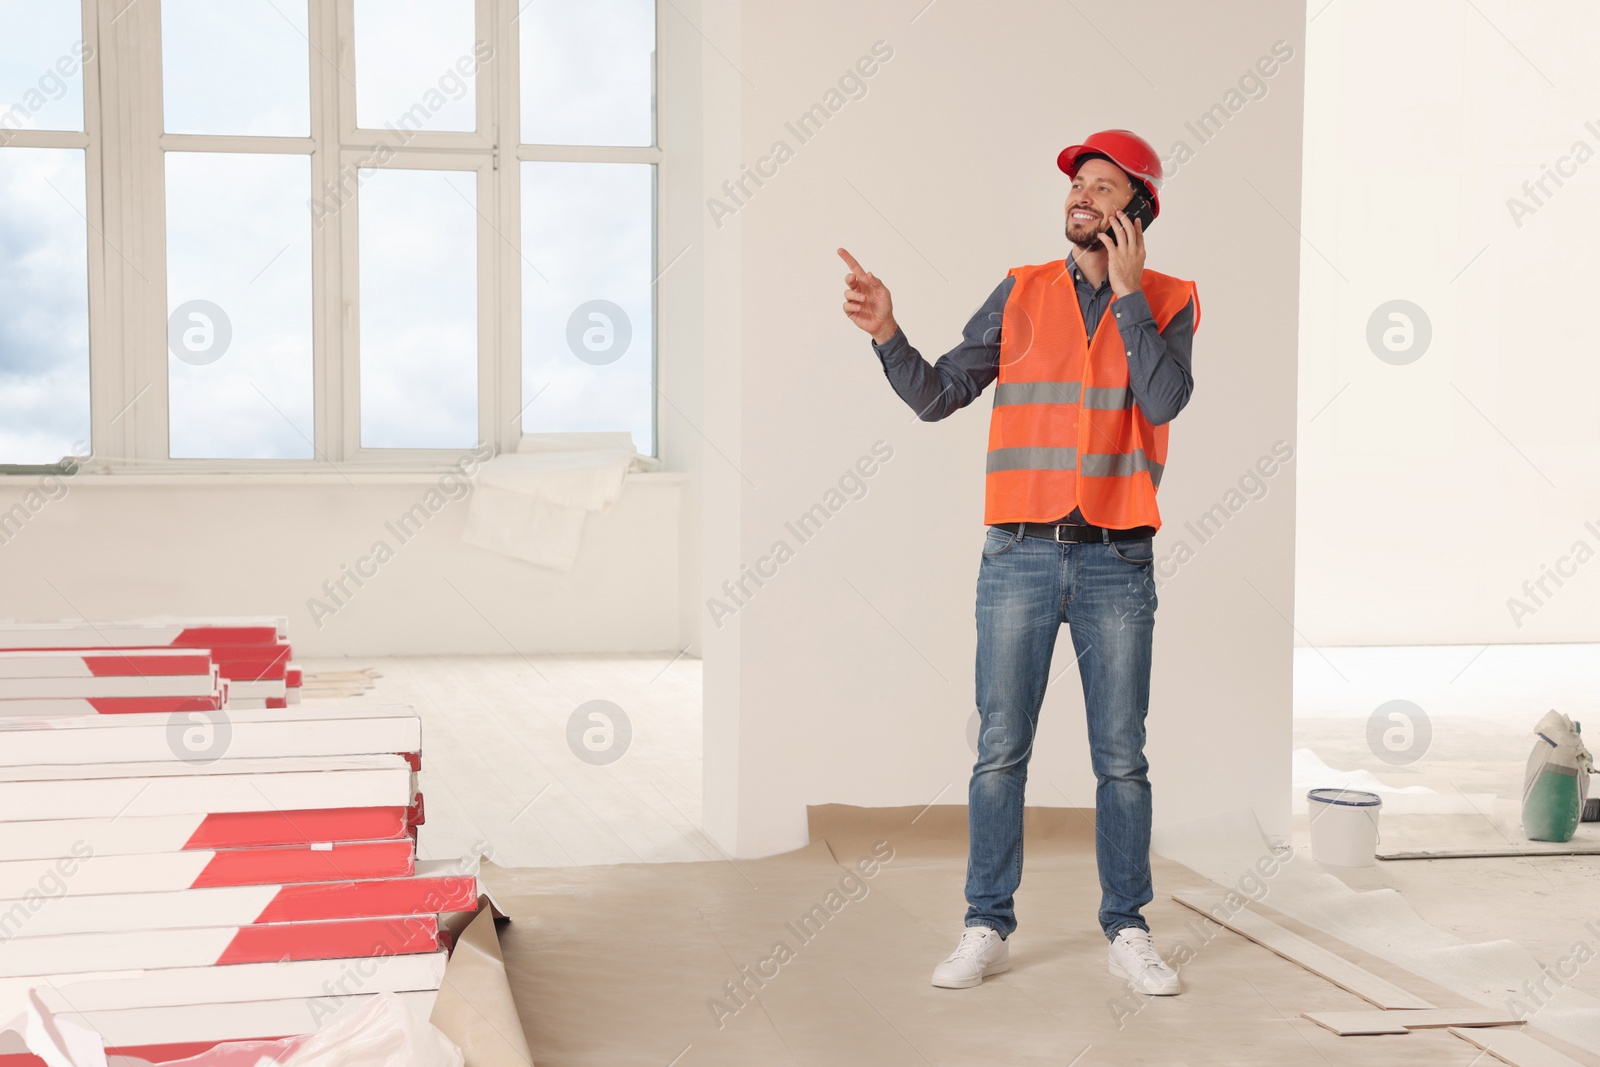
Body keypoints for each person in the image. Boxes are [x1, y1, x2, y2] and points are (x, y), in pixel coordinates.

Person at [837, 129, 1200, 997]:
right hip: (1019, 557)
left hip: (1119, 559)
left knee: (1122, 757)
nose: (1082, 195)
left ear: (1137, 210)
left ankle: (1129, 925)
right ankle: (986, 922)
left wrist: (1128, 295)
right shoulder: (1023, 290)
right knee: (1000, 750)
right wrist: (889, 332)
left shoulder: (1172, 298)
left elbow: (1166, 397)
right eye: (1078, 183)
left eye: (1105, 186)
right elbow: (939, 395)